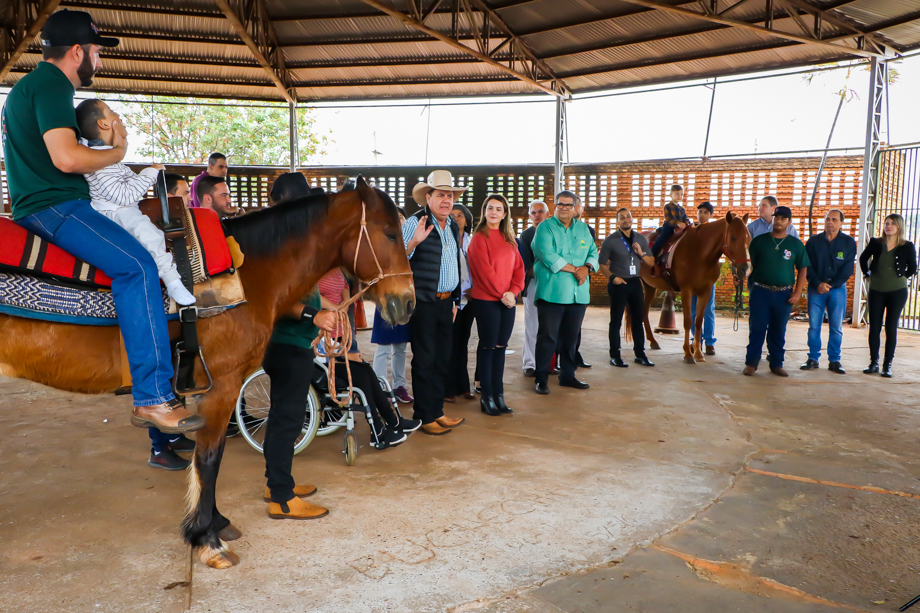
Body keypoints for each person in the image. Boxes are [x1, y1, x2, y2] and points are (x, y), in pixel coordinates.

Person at [0, 9, 203, 434]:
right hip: (55, 205)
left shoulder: (29, 88)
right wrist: (116, 154)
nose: (99, 60)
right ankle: (153, 396)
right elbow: (67, 158)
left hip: (45, 201)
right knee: (138, 266)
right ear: (77, 52)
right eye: (95, 51)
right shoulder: (53, 86)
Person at [75, 99, 196, 307]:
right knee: (150, 234)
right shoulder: (99, 161)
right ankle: (173, 280)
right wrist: (150, 173)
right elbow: (124, 196)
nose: (119, 117)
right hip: (117, 212)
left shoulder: (105, 157)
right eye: (112, 112)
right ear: (105, 124)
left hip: (121, 208)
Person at [316, 269, 417, 447]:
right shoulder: (311, 274)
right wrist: (334, 308)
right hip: (320, 356)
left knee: (366, 370)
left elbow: (345, 285)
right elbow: (310, 297)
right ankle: (377, 431)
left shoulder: (335, 268)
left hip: (334, 340)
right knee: (362, 376)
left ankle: (393, 422)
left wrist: (345, 304)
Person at [403, 170, 467, 435]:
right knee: (425, 359)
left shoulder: (451, 224)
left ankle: (437, 411)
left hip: (445, 304)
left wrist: (454, 300)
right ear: (427, 197)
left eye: (449, 195)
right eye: (440, 195)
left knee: (442, 359)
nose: (446, 200)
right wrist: (413, 242)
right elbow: (395, 260)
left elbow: (454, 264)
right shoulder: (415, 222)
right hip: (424, 303)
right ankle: (424, 415)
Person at [532, 190, 599, 395]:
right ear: (555, 206)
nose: (564, 208)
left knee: (571, 338)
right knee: (548, 337)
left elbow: (594, 252)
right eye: (560, 204)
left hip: (578, 294)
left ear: (575, 207)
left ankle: (568, 375)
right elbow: (546, 254)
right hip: (552, 293)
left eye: (568, 205)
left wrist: (587, 267)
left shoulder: (583, 229)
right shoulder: (545, 227)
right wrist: (576, 269)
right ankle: (541, 378)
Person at [468, 194, 525, 416]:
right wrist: (504, 294)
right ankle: (487, 397)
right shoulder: (479, 238)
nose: (493, 212)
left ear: (504, 214)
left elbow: (519, 269)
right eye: (490, 207)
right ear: (484, 211)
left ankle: (499, 395)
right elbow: (483, 273)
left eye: (498, 209)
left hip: (508, 301)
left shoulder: (510, 239)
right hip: (487, 301)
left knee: (501, 348)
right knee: (488, 346)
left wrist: (514, 292)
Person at [743, 206, 809, 377]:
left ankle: (777, 363)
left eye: (783, 218)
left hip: (784, 294)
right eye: (776, 217)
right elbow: (750, 265)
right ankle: (751, 363)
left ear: (789, 222)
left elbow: (803, 268)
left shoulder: (795, 244)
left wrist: (797, 293)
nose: (779, 220)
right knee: (757, 328)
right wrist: (743, 277)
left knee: (778, 330)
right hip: (760, 292)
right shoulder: (759, 241)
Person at [859, 213, 917, 378]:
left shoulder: (907, 246)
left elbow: (913, 267)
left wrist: (902, 277)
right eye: (886, 223)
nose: (888, 226)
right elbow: (863, 258)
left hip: (897, 292)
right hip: (876, 290)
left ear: (899, 226)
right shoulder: (876, 243)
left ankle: (887, 365)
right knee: (874, 327)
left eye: (892, 223)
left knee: (891, 327)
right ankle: (873, 362)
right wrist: (868, 273)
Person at [598, 208, 655, 368]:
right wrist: (612, 277)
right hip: (618, 283)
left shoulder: (640, 239)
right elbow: (601, 264)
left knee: (638, 319)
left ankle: (640, 354)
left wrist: (640, 253)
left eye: (628, 216)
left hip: (635, 282)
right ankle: (615, 355)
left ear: (631, 218)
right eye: (622, 218)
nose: (626, 219)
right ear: (618, 222)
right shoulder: (611, 240)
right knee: (615, 321)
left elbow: (651, 261)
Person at [801, 209, 856, 374]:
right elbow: (807, 266)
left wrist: (832, 285)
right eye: (827, 219)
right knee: (814, 326)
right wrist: (818, 283)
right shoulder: (813, 242)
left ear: (841, 223)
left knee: (836, 327)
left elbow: (848, 269)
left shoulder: (848, 242)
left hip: (837, 290)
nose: (830, 222)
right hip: (816, 289)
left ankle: (834, 360)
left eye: (834, 219)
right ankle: (813, 358)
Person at [372, 207, 413, 404]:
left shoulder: (412, 244)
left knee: (400, 347)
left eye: (401, 217)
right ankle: (380, 387)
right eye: (394, 218)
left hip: (404, 298)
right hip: (387, 298)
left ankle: (399, 386)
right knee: (383, 348)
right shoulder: (381, 245)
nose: (399, 220)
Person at [445, 203, 477, 402]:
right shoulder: (445, 240)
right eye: (452, 215)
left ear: (467, 218)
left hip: (470, 298)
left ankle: (463, 385)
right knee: (449, 343)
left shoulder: (472, 240)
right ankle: (447, 389)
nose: (456, 218)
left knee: (462, 343)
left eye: (460, 215)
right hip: (450, 299)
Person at [518, 200, 549, 377]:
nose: (537, 215)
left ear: (547, 214)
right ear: (529, 216)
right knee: (532, 324)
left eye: (540, 211)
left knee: (551, 325)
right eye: (533, 212)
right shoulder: (526, 236)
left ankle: (549, 363)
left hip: (554, 284)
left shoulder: (554, 232)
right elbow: (526, 265)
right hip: (534, 284)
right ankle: (530, 363)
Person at [690, 201, 717, 355]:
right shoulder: (691, 230)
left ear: (711, 215)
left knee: (708, 310)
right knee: (693, 310)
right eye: (700, 211)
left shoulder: (714, 232)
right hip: (692, 277)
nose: (702, 214)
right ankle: (696, 339)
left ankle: (709, 342)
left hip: (707, 277)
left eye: (706, 212)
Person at [650, 184, 689, 256]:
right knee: (662, 238)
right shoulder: (667, 206)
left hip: (679, 228)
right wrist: (677, 222)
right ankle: (652, 254)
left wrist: (688, 223)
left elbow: (685, 218)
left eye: (681, 194)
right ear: (671, 195)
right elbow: (668, 218)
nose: (679, 196)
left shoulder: (682, 209)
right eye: (677, 194)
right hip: (669, 226)